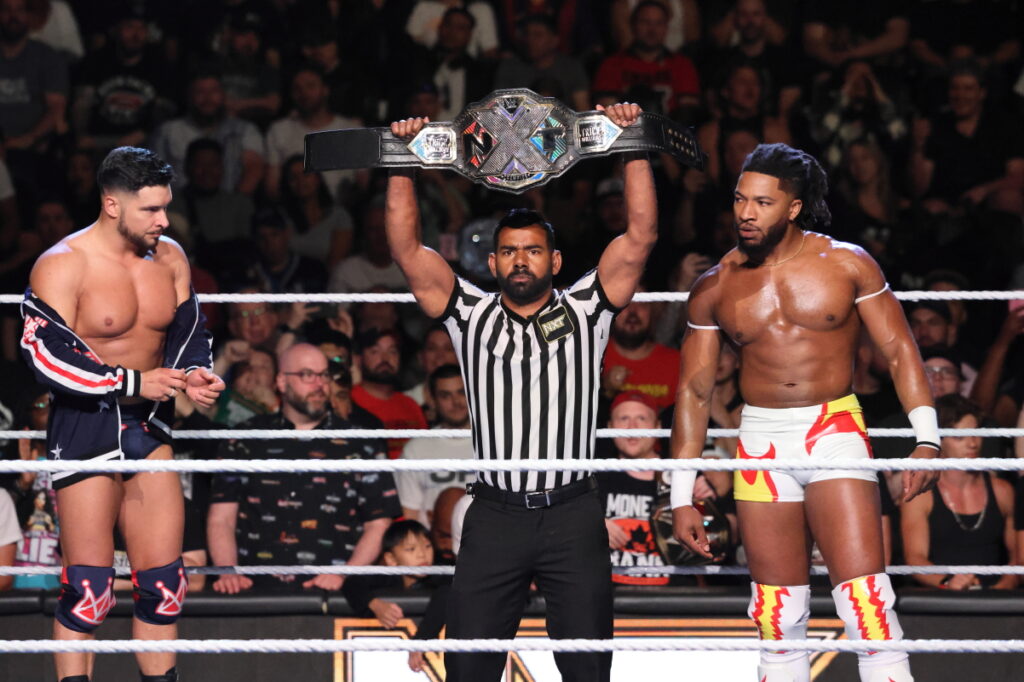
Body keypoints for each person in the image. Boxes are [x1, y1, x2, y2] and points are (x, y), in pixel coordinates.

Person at [386, 102, 656, 682]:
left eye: (533, 250)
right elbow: (408, 253)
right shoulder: (470, 313)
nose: (521, 260)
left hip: (573, 513)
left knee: (587, 672)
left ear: (554, 260)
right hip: (495, 514)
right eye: (509, 251)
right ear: (491, 261)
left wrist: (632, 142)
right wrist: (402, 161)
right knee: (471, 670)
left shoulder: (587, 310)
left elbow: (640, 236)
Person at [670, 143, 937, 682]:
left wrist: (927, 439)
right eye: (740, 199)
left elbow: (900, 349)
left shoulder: (846, 262)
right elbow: (694, 393)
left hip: (833, 427)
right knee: (776, 618)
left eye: (762, 202)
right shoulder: (715, 287)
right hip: (761, 438)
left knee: (868, 605)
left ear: (793, 207)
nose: (746, 212)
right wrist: (680, 494)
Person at [20, 146, 224, 682]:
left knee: (165, 587)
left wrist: (196, 373)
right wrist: (134, 380)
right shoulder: (63, 264)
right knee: (88, 591)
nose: (164, 220)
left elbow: (187, 334)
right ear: (112, 205)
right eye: (151, 211)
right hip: (86, 426)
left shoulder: (172, 257)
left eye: (165, 208)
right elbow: (46, 357)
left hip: (151, 425)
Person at [207, 343, 400, 594]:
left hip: (334, 595)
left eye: (324, 376)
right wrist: (227, 570)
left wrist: (346, 573)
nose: (319, 384)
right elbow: (222, 518)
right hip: (254, 594)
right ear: (282, 382)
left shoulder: (361, 442)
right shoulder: (244, 438)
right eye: (307, 375)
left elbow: (380, 523)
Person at [901, 394, 1017, 591]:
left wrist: (1002, 588)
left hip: (996, 596)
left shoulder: (1002, 491)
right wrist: (948, 582)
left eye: (976, 434)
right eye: (959, 437)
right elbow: (915, 559)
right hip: (940, 597)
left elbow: (1018, 557)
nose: (972, 443)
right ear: (940, 440)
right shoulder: (922, 494)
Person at [597, 391, 669, 586]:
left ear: (658, 427)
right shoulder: (592, 476)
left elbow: (724, 535)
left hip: (673, 598)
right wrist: (591, 524)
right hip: (607, 597)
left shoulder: (684, 476)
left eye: (641, 418)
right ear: (610, 427)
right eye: (624, 419)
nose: (632, 427)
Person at [396, 364, 474, 525]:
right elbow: (410, 514)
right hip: (433, 546)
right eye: (445, 395)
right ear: (432, 400)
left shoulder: (493, 445)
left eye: (461, 392)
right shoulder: (415, 450)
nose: (456, 402)